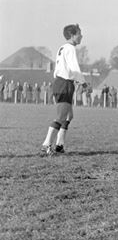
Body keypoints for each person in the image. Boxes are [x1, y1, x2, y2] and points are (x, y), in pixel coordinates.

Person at [40, 24, 86, 155]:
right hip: (64, 84)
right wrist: (84, 83)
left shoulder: (62, 47)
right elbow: (74, 68)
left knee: (69, 116)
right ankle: (46, 144)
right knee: (61, 117)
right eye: (79, 33)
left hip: (62, 83)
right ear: (72, 35)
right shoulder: (70, 48)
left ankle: (59, 145)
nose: (81, 36)